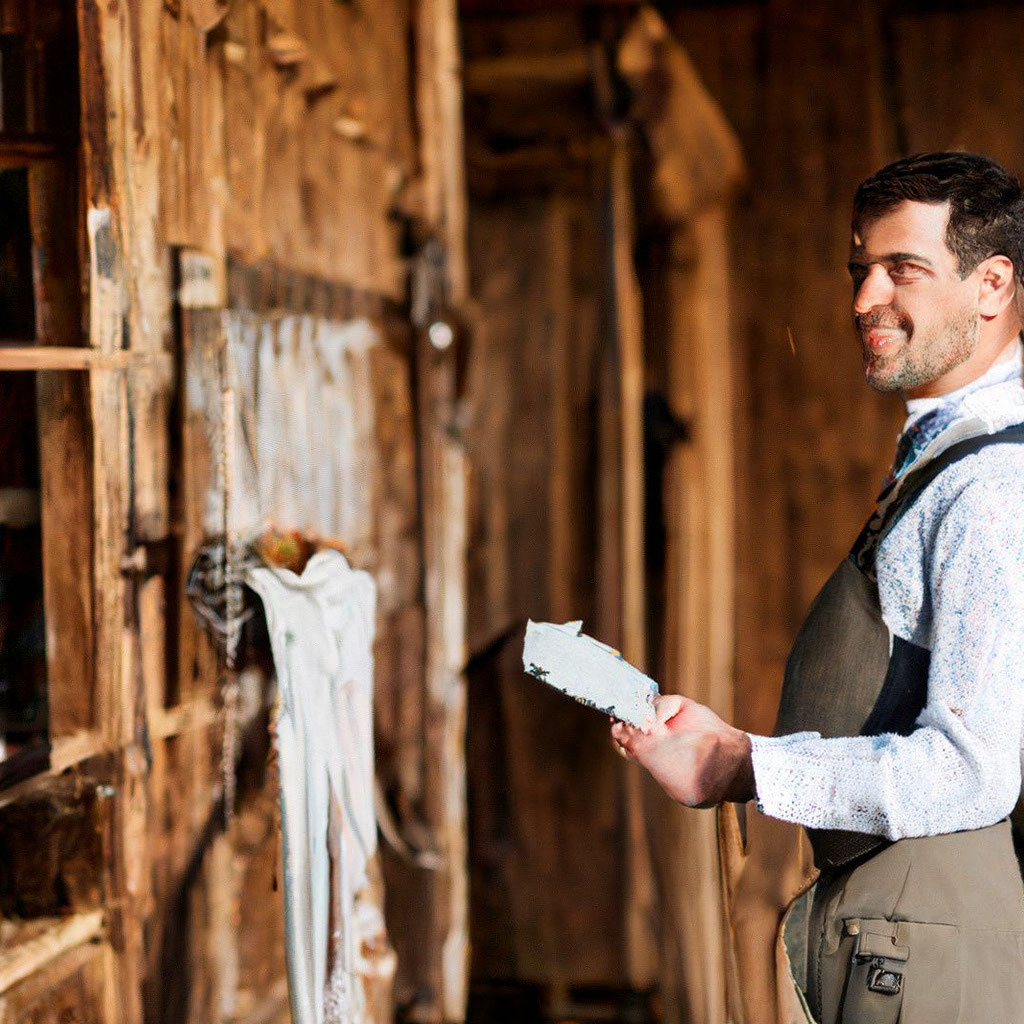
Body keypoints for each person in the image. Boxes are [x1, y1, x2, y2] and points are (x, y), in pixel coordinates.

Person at [611, 151, 1024, 1023]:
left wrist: (746, 765)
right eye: (859, 270)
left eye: (901, 269)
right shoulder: (948, 458)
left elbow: (972, 769)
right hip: (896, 932)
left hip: (932, 942)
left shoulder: (992, 487)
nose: (863, 299)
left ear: (991, 285)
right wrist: (735, 749)